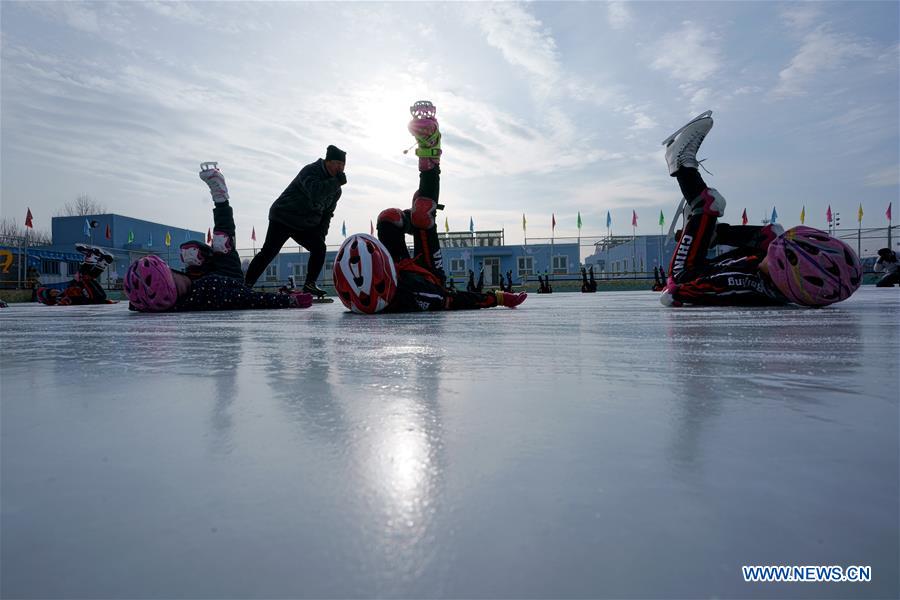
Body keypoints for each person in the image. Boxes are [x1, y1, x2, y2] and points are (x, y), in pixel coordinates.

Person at [332, 101, 526, 314]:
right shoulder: (423, 294)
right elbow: (458, 299)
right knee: (422, 215)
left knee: (388, 218)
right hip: (429, 274)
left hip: (400, 266)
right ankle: (431, 156)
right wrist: (498, 297)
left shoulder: (369, 294)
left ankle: (414, 216)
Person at [660, 110, 861, 307]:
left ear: (782, 272)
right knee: (771, 234)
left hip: (685, 275)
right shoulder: (776, 279)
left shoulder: (746, 283)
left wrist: (675, 292)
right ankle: (713, 234)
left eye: (778, 256)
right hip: (730, 268)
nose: (770, 254)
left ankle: (681, 165)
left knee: (710, 204)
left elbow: (677, 290)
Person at [124, 164, 313, 312]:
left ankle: (205, 254)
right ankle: (221, 198)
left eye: (172, 275)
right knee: (221, 243)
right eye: (175, 284)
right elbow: (252, 299)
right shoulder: (213, 291)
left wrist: (138, 302)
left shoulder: (154, 301)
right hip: (228, 277)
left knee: (190, 251)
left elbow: (135, 304)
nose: (176, 276)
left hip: (201, 275)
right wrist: (290, 300)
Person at [244, 145, 348, 296]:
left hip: (303, 224)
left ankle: (310, 285)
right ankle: (246, 285)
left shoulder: (336, 190)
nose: (341, 168)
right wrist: (336, 182)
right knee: (269, 252)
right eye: (337, 163)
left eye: (343, 165)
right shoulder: (311, 170)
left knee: (319, 248)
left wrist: (320, 235)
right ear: (327, 162)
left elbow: (327, 214)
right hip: (283, 217)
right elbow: (315, 193)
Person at [36, 244, 114, 306]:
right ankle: (91, 259)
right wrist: (65, 300)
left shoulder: (62, 293)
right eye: (51, 294)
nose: (54, 291)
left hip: (96, 298)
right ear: (51, 298)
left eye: (51, 290)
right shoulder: (59, 298)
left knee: (88, 278)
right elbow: (67, 301)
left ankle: (101, 264)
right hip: (93, 299)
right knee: (82, 278)